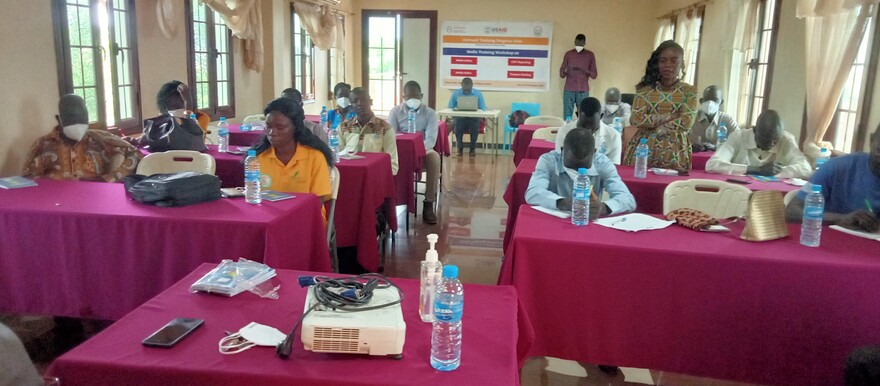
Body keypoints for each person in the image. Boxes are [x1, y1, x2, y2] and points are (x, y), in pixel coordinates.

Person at [22, 94, 141, 182]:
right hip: (57, 204)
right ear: (59, 120)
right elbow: (28, 179)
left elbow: (135, 153)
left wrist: (109, 179)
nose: (79, 129)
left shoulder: (100, 139)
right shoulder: (43, 145)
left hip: (94, 201)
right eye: (72, 123)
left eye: (82, 123)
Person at [784, 125, 880, 232]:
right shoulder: (835, 168)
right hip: (828, 241)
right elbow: (791, 212)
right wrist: (840, 219)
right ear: (872, 141)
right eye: (879, 151)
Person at [622, 40, 698, 171]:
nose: (668, 65)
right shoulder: (644, 90)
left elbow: (686, 122)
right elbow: (636, 119)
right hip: (643, 150)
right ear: (657, 64)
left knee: (672, 189)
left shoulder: (689, 91)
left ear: (682, 64)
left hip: (675, 153)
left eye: (674, 60)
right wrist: (671, 116)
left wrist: (653, 123)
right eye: (663, 60)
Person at [526, 128, 635, 218]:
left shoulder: (603, 164)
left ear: (594, 153)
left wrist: (603, 207)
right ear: (562, 151)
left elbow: (628, 199)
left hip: (587, 222)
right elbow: (533, 193)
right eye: (571, 166)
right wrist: (562, 203)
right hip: (552, 220)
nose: (577, 171)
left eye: (583, 167)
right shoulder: (548, 161)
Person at [252, 98, 333, 205]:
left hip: (305, 216)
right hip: (269, 216)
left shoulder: (314, 157)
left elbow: (318, 200)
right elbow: (252, 195)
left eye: (280, 127)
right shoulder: (259, 158)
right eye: (268, 126)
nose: (272, 132)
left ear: (295, 128)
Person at [388, 81, 440, 224]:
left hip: (423, 152)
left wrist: (417, 150)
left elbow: (431, 139)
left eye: (415, 96)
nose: (412, 100)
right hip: (400, 153)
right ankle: (389, 203)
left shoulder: (430, 113)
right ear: (403, 97)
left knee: (434, 158)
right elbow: (390, 136)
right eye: (408, 96)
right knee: (385, 160)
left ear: (421, 96)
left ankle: (429, 203)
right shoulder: (395, 112)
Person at [706, 110, 811, 178]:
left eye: (775, 140)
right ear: (754, 131)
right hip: (740, 193)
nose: (771, 143)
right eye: (765, 138)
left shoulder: (786, 139)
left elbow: (806, 169)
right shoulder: (738, 137)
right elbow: (712, 165)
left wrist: (776, 172)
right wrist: (756, 170)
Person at [126, 80, 208, 152]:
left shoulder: (195, 122)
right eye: (174, 106)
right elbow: (145, 138)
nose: (178, 109)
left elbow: (189, 136)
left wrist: (188, 104)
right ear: (166, 106)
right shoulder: (161, 122)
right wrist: (134, 140)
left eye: (181, 105)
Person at [339, 87, 399, 175]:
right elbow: (337, 157)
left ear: (371, 102)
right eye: (355, 101)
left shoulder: (385, 129)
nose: (359, 104)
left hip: (374, 175)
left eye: (363, 100)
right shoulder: (343, 127)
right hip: (348, 173)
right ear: (351, 105)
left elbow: (393, 166)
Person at [555, 97, 622, 165]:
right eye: (583, 126)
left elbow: (614, 168)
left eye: (592, 126)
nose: (588, 130)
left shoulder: (613, 136)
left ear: (601, 116)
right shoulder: (564, 132)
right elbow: (559, 163)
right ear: (578, 115)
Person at [689, 85, 740, 151]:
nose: (710, 103)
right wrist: (691, 146)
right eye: (707, 99)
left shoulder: (727, 120)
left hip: (719, 159)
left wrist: (716, 147)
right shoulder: (691, 118)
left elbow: (738, 142)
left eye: (715, 100)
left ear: (721, 102)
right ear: (701, 101)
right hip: (694, 158)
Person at [559, 34, 598, 120]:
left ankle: (581, 132)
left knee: (583, 116)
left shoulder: (590, 55)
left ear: (584, 43)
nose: (578, 45)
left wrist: (584, 70)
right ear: (574, 42)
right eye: (577, 43)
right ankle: (566, 131)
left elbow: (594, 75)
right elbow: (561, 74)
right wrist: (567, 70)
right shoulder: (568, 54)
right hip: (569, 89)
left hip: (583, 90)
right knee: (567, 116)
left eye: (581, 43)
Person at [447, 77, 486, 157]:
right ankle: (460, 148)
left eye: (468, 90)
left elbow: (483, 107)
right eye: (465, 90)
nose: (466, 91)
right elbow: (450, 107)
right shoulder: (456, 93)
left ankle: (472, 148)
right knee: (457, 125)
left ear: (472, 85)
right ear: (461, 85)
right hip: (460, 117)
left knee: (475, 127)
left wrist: (478, 110)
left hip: (474, 118)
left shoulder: (478, 93)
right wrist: (455, 110)